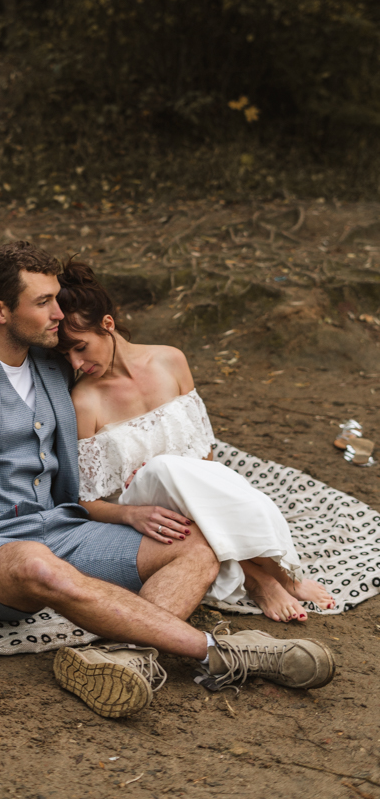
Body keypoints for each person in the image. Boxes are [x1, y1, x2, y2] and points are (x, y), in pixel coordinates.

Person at [0, 242, 335, 718]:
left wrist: (150, 500)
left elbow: (124, 408)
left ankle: (120, 658)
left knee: (196, 544)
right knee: (37, 565)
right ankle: (224, 652)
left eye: (57, 298)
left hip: (63, 525)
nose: (59, 312)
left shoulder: (55, 366)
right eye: (44, 303)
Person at [56, 258, 336, 623]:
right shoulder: (85, 401)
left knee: (191, 475)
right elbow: (82, 501)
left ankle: (265, 572)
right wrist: (130, 514)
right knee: (162, 468)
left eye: (80, 347)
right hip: (140, 509)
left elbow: (205, 454)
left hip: (194, 490)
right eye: (66, 355)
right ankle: (265, 576)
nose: (76, 363)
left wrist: (203, 490)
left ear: (107, 325)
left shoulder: (171, 361)